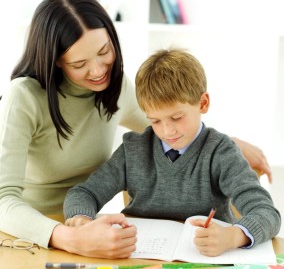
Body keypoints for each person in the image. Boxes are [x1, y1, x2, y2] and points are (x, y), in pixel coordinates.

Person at [0, 0, 272, 259]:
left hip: (87, 228)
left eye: (103, 52)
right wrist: (74, 234)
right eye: (79, 64)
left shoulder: (115, 86)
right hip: (28, 231)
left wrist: (230, 144)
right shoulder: (23, 96)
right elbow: (1, 201)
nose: (98, 71)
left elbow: (167, 120)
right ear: (57, 61)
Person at [63, 49, 281, 257]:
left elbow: (267, 213)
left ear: (203, 103)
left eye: (176, 118)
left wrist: (233, 237)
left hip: (203, 259)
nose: (167, 131)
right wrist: (81, 220)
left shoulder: (221, 152)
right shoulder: (134, 149)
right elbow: (84, 193)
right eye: (155, 121)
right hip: (138, 257)